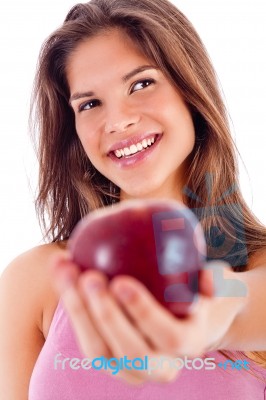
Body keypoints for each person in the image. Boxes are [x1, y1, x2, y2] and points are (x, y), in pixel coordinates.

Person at [1, 0, 266, 398]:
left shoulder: (257, 264)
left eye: (141, 83)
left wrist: (214, 317)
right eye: (89, 104)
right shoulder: (35, 279)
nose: (117, 120)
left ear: (189, 93)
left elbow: (245, 303)